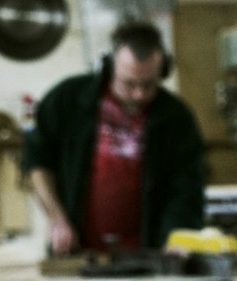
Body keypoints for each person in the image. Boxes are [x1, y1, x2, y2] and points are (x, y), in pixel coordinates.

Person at [24, 20, 206, 255]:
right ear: (110, 68)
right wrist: (57, 219)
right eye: (129, 84)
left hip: (149, 254)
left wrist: (178, 236)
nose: (139, 94)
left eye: (149, 85)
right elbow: (37, 162)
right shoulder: (67, 99)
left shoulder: (177, 118)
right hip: (76, 251)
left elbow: (186, 188)